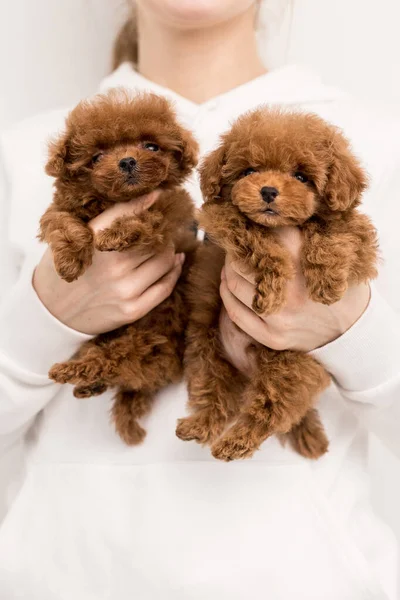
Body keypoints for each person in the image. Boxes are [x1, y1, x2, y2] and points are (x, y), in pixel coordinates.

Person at [0, 1, 399, 598]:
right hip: (64, 580)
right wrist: (40, 321)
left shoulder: (379, 146)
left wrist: (353, 329)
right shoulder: (22, 153)